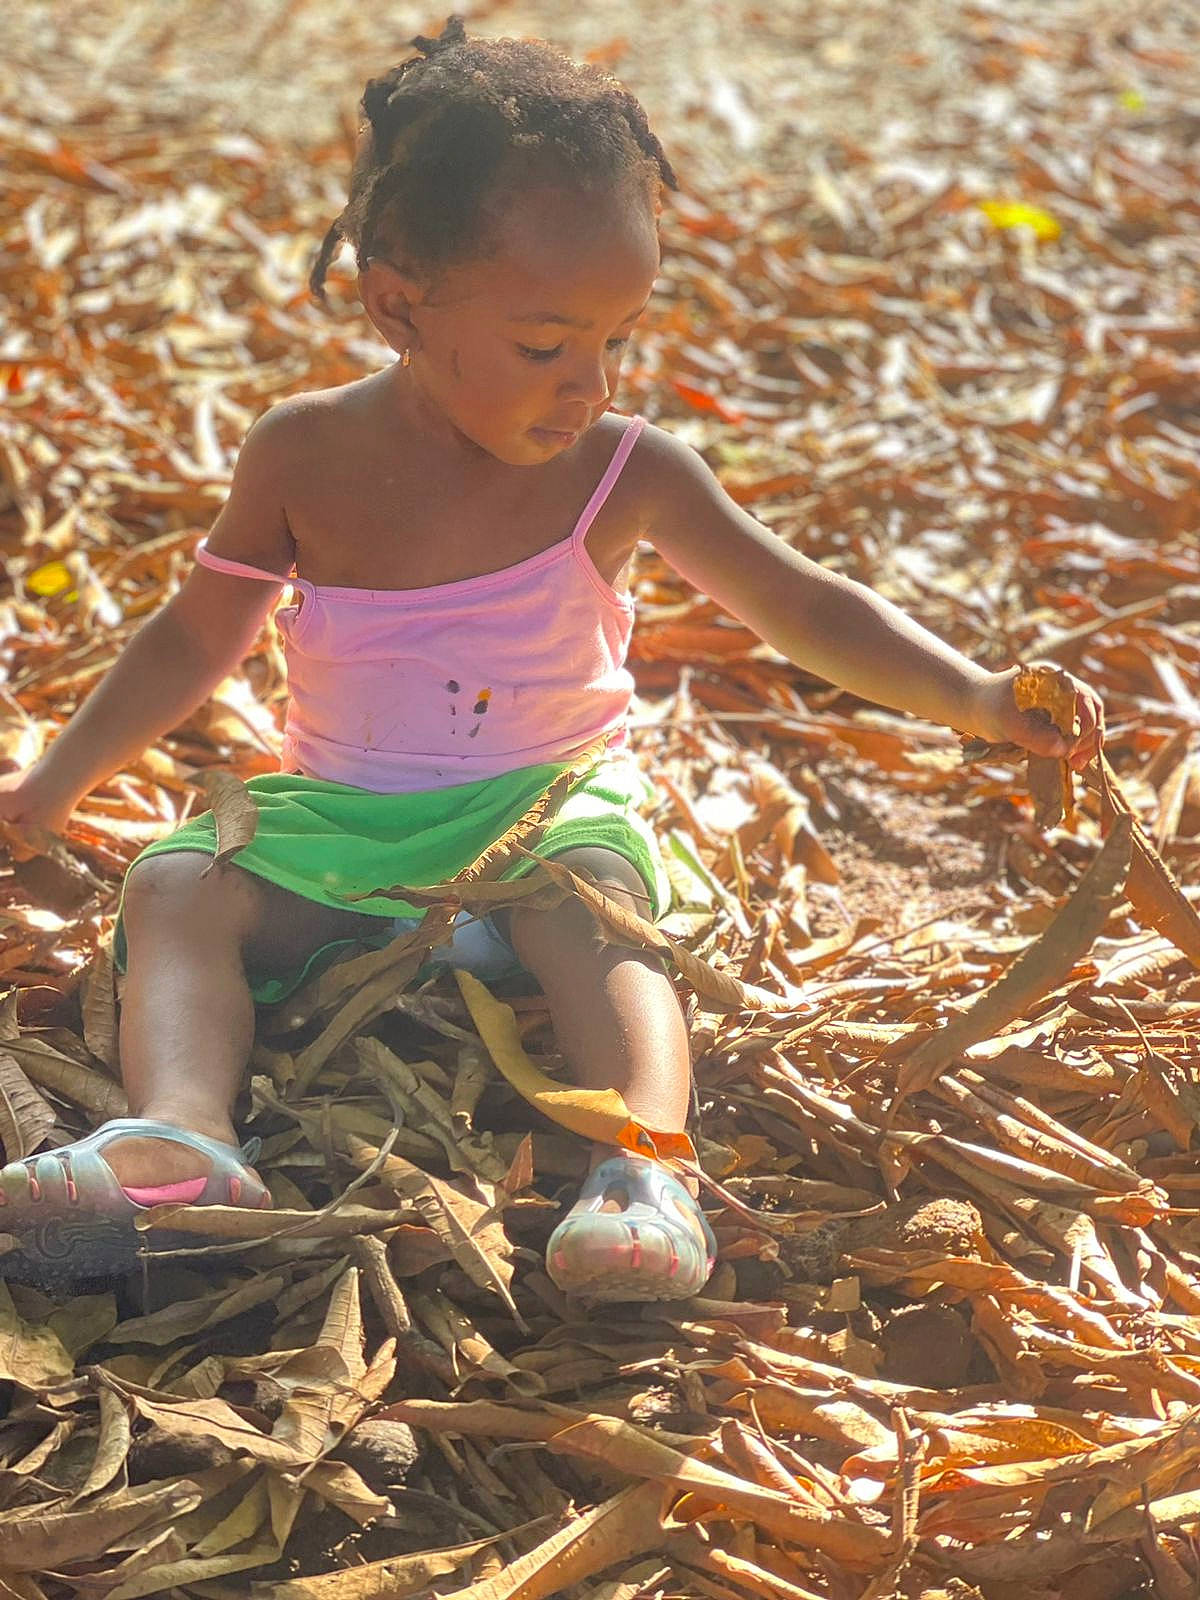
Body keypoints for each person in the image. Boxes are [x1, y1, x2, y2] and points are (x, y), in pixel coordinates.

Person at [0, 17, 1102, 1298]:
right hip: (348, 834)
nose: (588, 383)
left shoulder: (626, 471)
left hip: (541, 814)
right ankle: (185, 1137)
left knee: (592, 894)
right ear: (396, 302)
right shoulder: (302, 454)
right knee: (179, 888)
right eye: (544, 346)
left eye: (614, 339)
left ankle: (645, 1168)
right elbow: (197, 632)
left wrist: (971, 694)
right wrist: (50, 785)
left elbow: (801, 603)